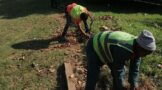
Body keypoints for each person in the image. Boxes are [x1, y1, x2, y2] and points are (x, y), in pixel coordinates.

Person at [85, 30, 156, 90]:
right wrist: (121, 87)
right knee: (93, 75)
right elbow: (118, 70)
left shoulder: (137, 48)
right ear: (139, 46)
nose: (145, 56)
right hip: (94, 46)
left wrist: (133, 84)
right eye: (145, 53)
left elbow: (135, 68)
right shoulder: (123, 48)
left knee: (118, 76)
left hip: (110, 49)